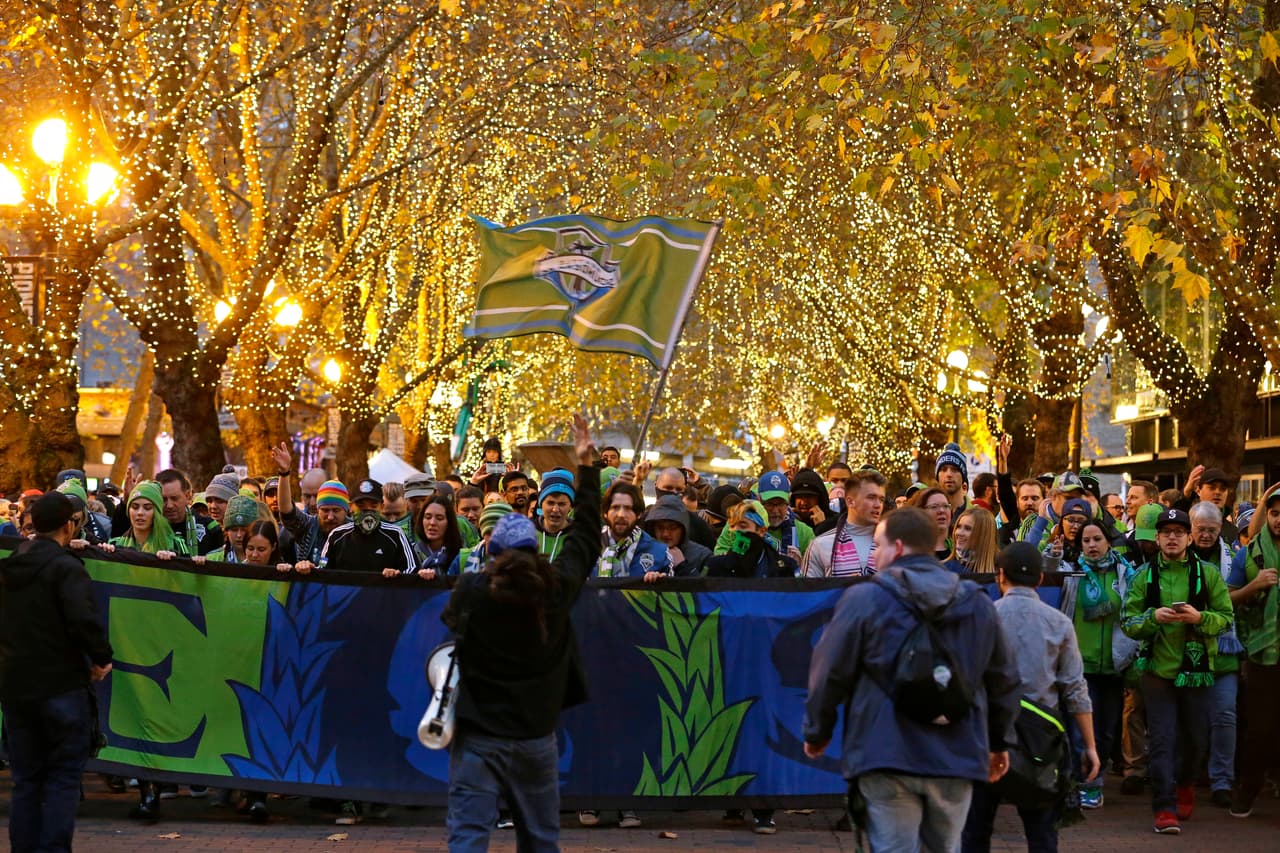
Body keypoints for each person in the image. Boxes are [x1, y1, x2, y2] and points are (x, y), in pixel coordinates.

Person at [803, 507, 1021, 853]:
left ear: (898, 548)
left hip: (885, 750)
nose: (874, 555)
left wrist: (818, 730)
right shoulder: (977, 603)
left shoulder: (865, 599)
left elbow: (829, 669)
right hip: (957, 751)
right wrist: (998, 743)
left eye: (879, 546)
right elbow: (1004, 679)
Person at [442, 415, 605, 852]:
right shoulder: (555, 589)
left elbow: (451, 625)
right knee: (539, 839)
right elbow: (586, 538)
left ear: (490, 553)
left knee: (468, 835)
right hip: (535, 738)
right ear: (534, 551)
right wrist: (588, 470)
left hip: (478, 735)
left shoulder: (473, 589)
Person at [962, 541, 1099, 853]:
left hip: (987, 737)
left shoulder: (985, 618)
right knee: (1041, 835)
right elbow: (1075, 690)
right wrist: (1089, 747)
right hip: (1041, 742)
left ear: (1000, 576)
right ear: (1040, 579)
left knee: (975, 833)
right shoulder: (1059, 623)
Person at [0, 492, 113, 853]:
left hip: (17, 688)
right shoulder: (66, 568)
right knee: (62, 779)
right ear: (69, 525)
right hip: (62, 686)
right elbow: (84, 620)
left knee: (27, 781)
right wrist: (101, 658)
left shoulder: (10, 568)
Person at [1121, 507, 1234, 834]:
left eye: (1178, 532)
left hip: (1197, 672)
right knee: (1162, 741)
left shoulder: (1208, 574)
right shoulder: (1144, 576)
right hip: (1156, 671)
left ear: (1189, 538)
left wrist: (1200, 619)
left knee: (1196, 740)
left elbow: (1226, 618)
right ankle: (1164, 808)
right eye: (1166, 532)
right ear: (1156, 538)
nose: (1172, 537)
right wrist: (1152, 619)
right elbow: (1129, 623)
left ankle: (1186, 785)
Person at [1060, 519, 1139, 810]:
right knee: (1081, 730)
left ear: (1108, 541)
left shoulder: (1126, 574)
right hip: (1081, 667)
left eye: (1097, 539)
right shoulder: (1072, 574)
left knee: (1107, 732)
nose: (1092, 545)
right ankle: (1083, 784)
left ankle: (1096, 776)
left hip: (1115, 664)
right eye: (1085, 541)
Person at [1226, 485, 1280, 818]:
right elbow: (1226, 600)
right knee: (1259, 730)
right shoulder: (1250, 554)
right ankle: (1247, 792)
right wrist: (1255, 585)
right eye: (1274, 513)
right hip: (1263, 655)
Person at [318, 479, 417, 576]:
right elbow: (321, 571)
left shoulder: (396, 535)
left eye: (373, 506)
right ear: (350, 507)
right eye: (361, 506)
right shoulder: (337, 536)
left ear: (382, 507)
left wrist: (397, 576)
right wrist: (306, 568)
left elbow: (412, 569)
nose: (367, 511)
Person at [803, 468, 886, 577]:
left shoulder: (892, 543)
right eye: (871, 498)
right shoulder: (821, 544)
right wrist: (840, 588)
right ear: (850, 501)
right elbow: (808, 592)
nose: (878, 505)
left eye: (881, 500)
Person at [594, 481, 671, 580]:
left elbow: (673, 593)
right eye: (615, 507)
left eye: (628, 508)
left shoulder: (659, 552)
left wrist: (660, 585)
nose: (621, 514)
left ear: (638, 514)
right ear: (605, 513)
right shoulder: (586, 546)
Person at [705, 501, 798, 578]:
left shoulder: (785, 568)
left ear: (761, 531)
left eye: (743, 526)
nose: (736, 531)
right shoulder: (716, 566)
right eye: (732, 526)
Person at [109, 480, 188, 560]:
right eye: (135, 507)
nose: (140, 513)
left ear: (157, 513)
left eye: (147, 508)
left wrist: (174, 560)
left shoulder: (176, 545)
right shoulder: (114, 544)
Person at [644, 494, 712, 577]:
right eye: (660, 527)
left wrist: (682, 566)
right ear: (652, 528)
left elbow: (706, 588)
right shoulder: (641, 551)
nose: (665, 534)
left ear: (683, 528)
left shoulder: (702, 556)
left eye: (672, 528)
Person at [413, 495, 463, 579]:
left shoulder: (460, 555)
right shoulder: (411, 552)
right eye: (428, 517)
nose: (432, 523)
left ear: (449, 522)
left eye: (439, 518)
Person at [945, 508, 997, 575]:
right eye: (958, 526)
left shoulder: (1001, 572)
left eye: (968, 528)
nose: (959, 533)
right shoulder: (946, 569)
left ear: (983, 535)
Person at [910, 487, 954, 560]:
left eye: (946, 506)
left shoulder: (960, 548)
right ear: (920, 512)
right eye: (934, 507)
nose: (941, 511)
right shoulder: (911, 550)